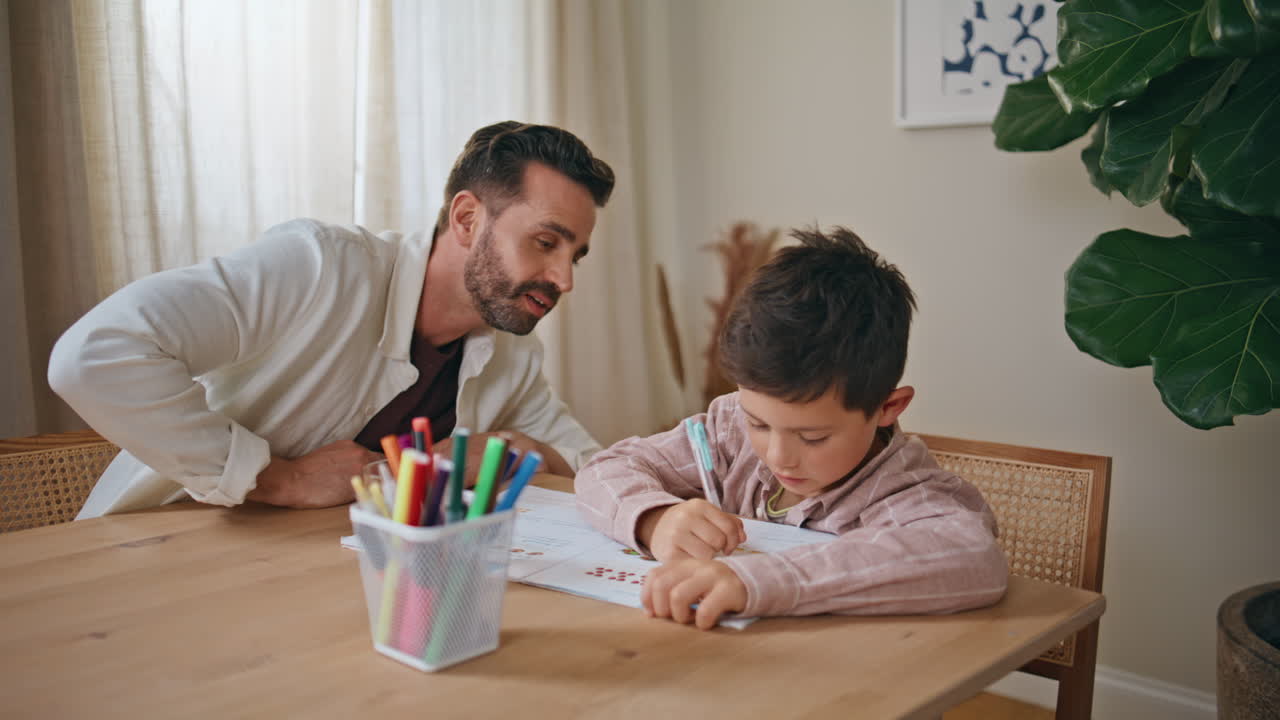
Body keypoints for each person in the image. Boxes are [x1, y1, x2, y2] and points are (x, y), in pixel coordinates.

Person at [50, 121, 615, 518]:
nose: (564, 280)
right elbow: (96, 354)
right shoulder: (317, 266)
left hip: (322, 584)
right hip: (162, 553)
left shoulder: (512, 354)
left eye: (575, 256)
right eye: (545, 243)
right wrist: (282, 480)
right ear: (467, 218)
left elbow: (599, 469)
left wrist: (518, 449)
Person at [574, 227, 1008, 630]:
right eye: (759, 422)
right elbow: (607, 467)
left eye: (812, 437)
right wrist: (655, 518)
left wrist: (756, 580)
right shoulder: (727, 431)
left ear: (887, 408)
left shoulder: (902, 493)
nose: (778, 456)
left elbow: (972, 557)